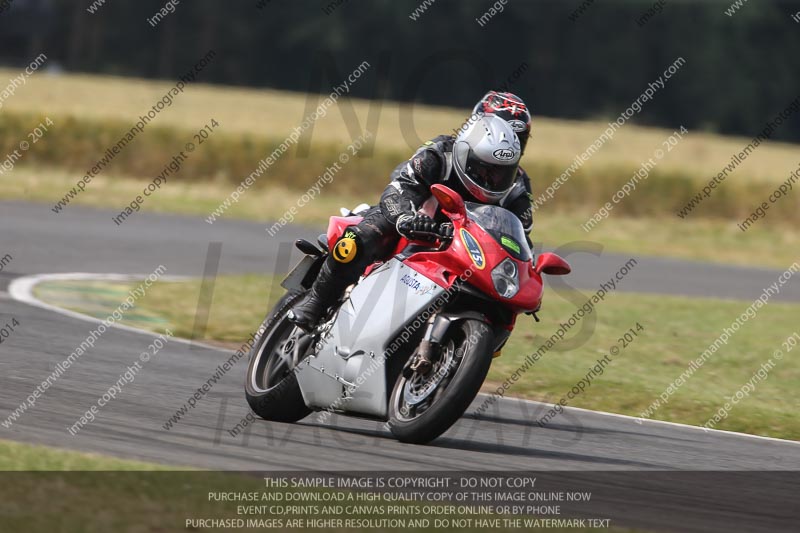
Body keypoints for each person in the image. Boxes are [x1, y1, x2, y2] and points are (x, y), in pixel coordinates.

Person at [288, 95, 533, 333]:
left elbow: (519, 235)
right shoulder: (441, 152)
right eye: (500, 128)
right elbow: (400, 188)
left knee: (501, 302)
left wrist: (527, 269)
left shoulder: (517, 184)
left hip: (466, 250)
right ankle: (316, 301)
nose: (509, 139)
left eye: (519, 137)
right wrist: (406, 218)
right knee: (359, 238)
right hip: (410, 222)